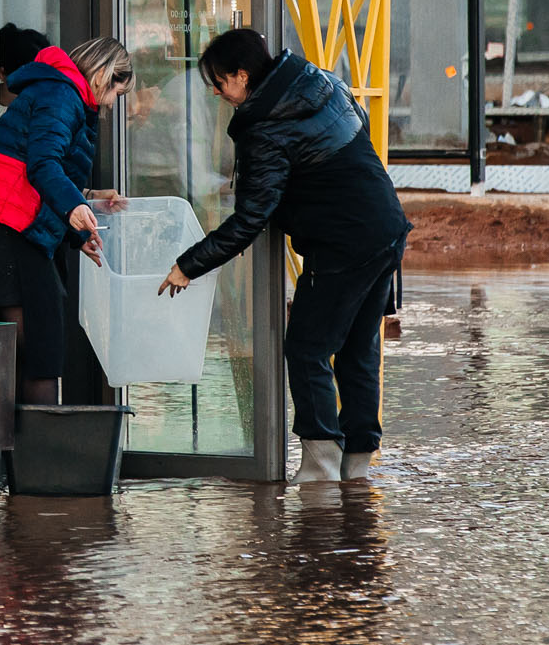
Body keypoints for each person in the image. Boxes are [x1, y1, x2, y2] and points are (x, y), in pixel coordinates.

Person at [161, 28, 410, 483]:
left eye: (219, 83)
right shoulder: (320, 81)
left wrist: (187, 265)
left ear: (242, 76)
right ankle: (356, 467)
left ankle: (320, 466)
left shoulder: (265, 125)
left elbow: (252, 216)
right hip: (386, 225)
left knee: (307, 348)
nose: (217, 93)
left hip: (344, 241)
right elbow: (356, 133)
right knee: (357, 350)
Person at [0, 35, 134, 405]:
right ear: (103, 73)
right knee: (41, 348)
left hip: (15, 222)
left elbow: (44, 171)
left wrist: (81, 215)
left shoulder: (64, 95)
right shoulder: (62, 95)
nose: (116, 103)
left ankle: (25, 455)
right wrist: (73, 209)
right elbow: (43, 165)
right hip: (11, 226)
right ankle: (38, 457)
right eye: (119, 89)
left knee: (36, 348)